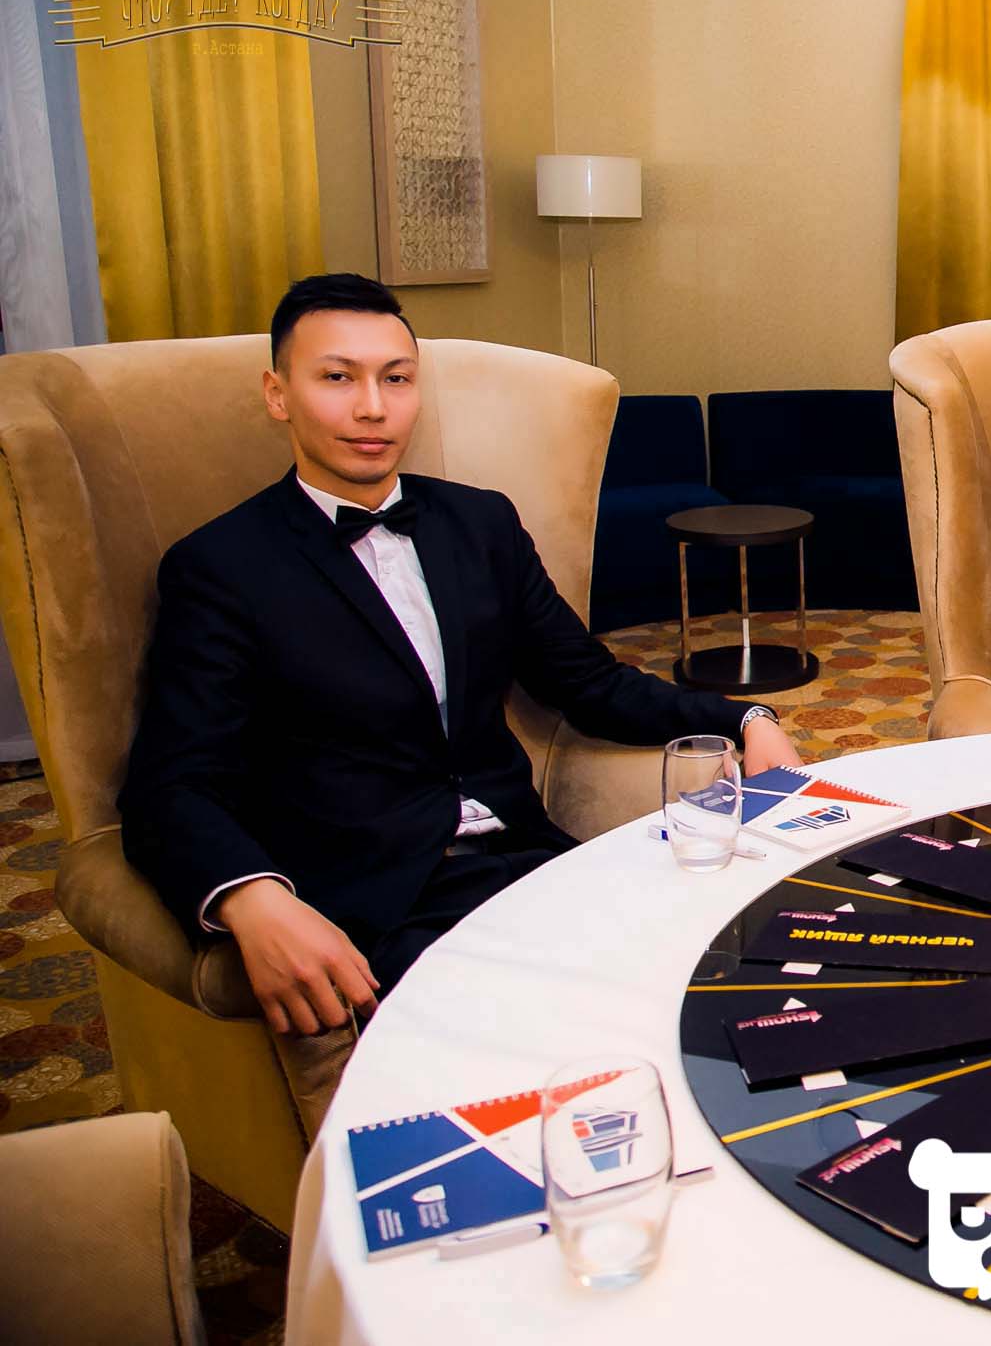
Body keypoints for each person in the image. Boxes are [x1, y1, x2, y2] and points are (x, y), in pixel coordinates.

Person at [121, 273, 801, 1041]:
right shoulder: (221, 566)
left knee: (742, 977)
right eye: (337, 378)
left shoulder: (480, 523)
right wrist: (254, 899)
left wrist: (745, 716)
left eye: (396, 379)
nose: (372, 407)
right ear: (278, 394)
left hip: (531, 862)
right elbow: (171, 784)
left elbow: (588, 681)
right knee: (577, 1039)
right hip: (382, 904)